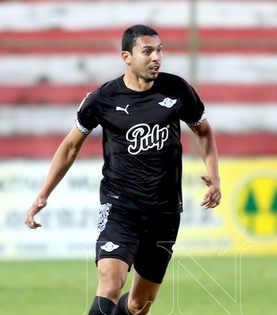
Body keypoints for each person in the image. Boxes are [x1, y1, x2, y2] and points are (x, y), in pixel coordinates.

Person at [24, 24, 221, 315]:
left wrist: (214, 176)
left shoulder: (177, 90)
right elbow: (70, 146)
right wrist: (43, 194)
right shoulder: (103, 99)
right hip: (121, 209)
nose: (157, 58)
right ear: (126, 57)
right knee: (110, 284)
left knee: (139, 305)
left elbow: (203, 131)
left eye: (160, 50)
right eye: (148, 51)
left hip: (165, 212)